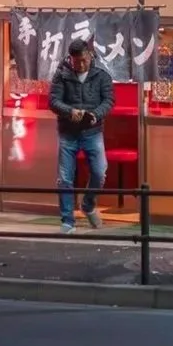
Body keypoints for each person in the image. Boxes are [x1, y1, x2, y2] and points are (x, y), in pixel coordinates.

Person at [49, 40, 114, 232]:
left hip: (93, 131)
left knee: (99, 172)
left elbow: (109, 100)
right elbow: (53, 101)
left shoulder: (101, 73)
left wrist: (96, 114)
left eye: (84, 60)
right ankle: (67, 220)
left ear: (90, 55)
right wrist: (70, 111)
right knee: (65, 178)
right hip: (68, 132)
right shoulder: (62, 74)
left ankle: (87, 205)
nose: (81, 65)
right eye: (77, 62)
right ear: (71, 58)